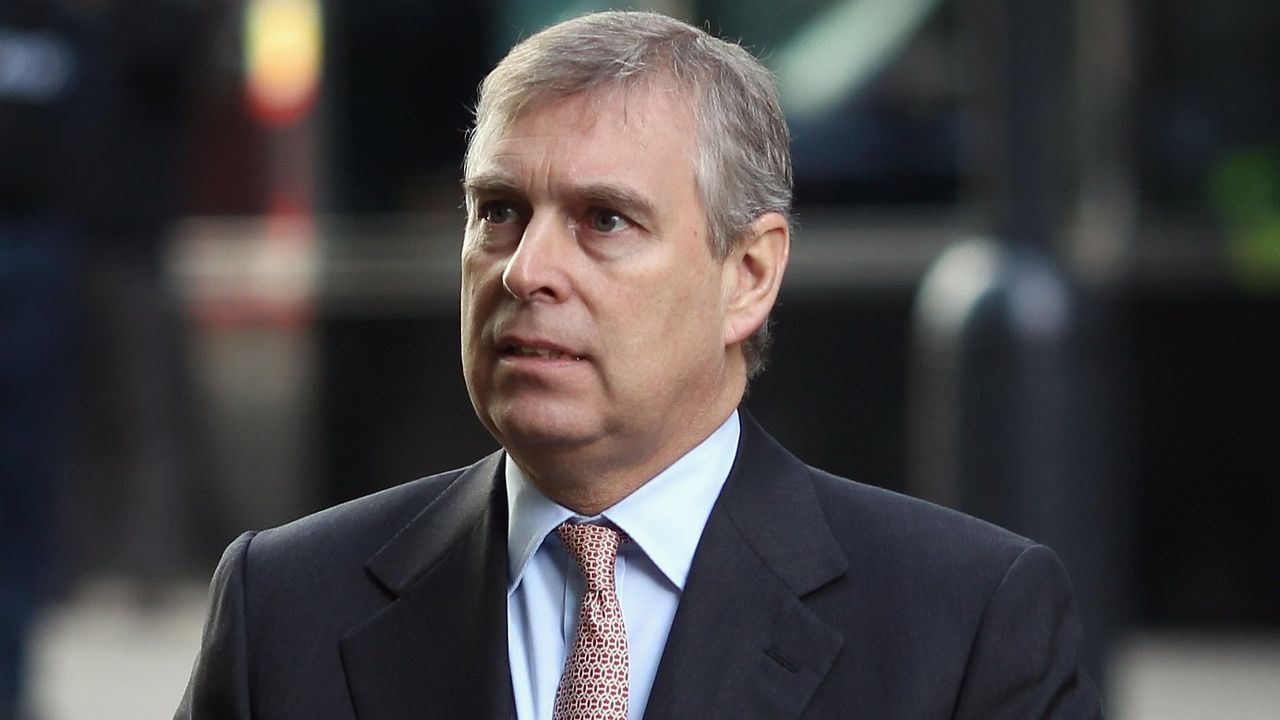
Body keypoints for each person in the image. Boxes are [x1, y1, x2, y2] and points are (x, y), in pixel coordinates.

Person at [176, 11, 1102, 719]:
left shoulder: (969, 623)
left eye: (604, 220)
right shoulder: (285, 605)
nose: (528, 270)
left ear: (747, 275)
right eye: (498, 211)